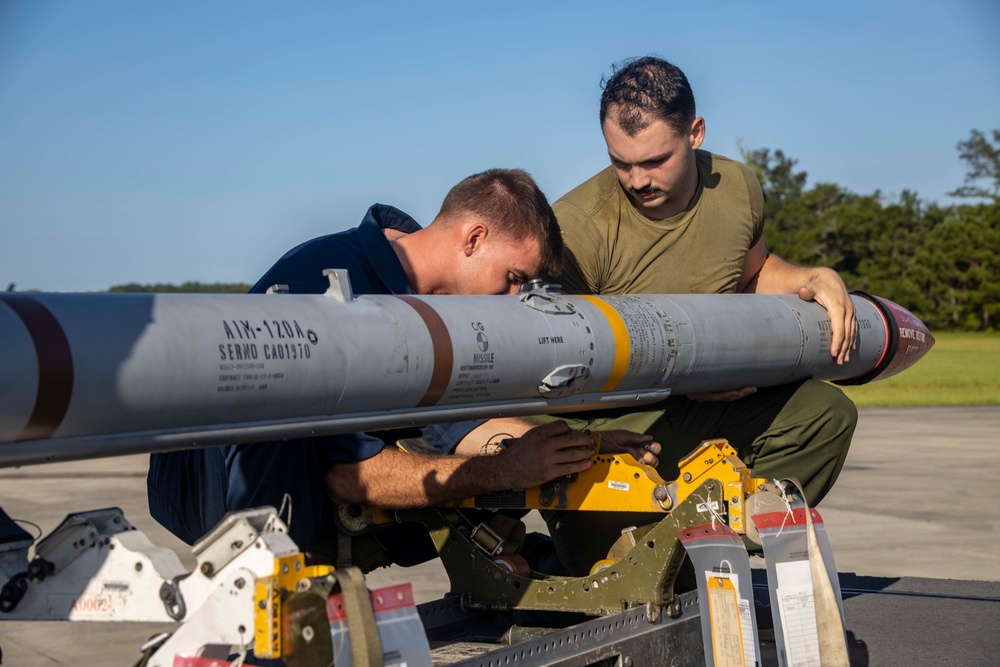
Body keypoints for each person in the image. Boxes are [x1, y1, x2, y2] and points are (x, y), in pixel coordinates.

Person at [147, 168, 659, 567]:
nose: (511, 301)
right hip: (231, 507)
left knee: (498, 492)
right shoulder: (333, 283)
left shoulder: (435, 308)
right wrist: (507, 468)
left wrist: (571, 445)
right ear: (473, 238)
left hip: (307, 500)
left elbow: (460, 425)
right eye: (510, 278)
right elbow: (350, 476)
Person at [539, 56, 860, 576]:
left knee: (826, 416)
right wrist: (681, 384)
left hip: (703, 405)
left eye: (654, 161)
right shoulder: (577, 229)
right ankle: (645, 559)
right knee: (609, 594)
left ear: (695, 132)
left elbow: (751, 274)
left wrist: (808, 276)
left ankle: (695, 548)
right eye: (620, 163)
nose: (636, 180)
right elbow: (555, 378)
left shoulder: (736, 187)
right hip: (618, 423)